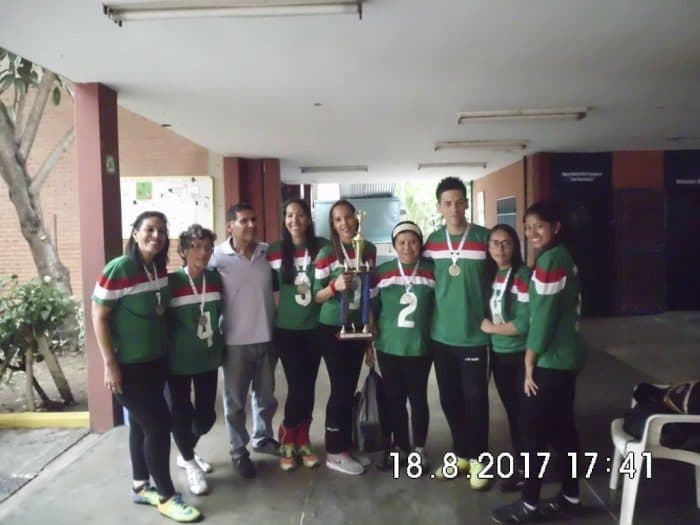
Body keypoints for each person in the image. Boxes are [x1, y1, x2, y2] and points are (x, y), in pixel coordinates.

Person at [91, 211, 201, 523]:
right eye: (149, 230)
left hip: (156, 362)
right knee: (158, 424)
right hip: (128, 367)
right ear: (135, 233)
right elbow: (98, 315)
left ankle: (141, 486)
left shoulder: (158, 270)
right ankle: (167, 496)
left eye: (162, 231)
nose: (156, 236)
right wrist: (110, 364)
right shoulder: (119, 268)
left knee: (141, 425)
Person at [491, 201, 588, 524]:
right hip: (567, 357)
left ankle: (529, 505)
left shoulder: (549, 262)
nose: (532, 232)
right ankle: (571, 496)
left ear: (556, 227)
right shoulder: (562, 257)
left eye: (539, 226)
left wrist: (530, 361)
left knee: (532, 430)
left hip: (551, 360)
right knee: (563, 430)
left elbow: (542, 319)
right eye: (528, 226)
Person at [422, 176, 491, 489]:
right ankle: (461, 454)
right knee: (450, 399)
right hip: (441, 337)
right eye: (447, 203)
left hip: (475, 337)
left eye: (459, 201)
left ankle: (479, 460)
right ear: (439, 207)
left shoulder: (485, 239)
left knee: (476, 400)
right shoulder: (432, 243)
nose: (454, 208)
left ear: (466, 203)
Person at [209, 203, 278, 480]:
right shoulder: (216, 257)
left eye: (253, 219)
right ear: (229, 226)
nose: (250, 224)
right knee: (235, 403)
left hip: (267, 337)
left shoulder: (266, 253)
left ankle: (263, 438)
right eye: (243, 220)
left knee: (266, 397)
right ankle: (239, 451)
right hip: (235, 342)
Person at [313, 199, 377, 475]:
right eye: (338, 220)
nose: (345, 223)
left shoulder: (369, 249)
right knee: (340, 389)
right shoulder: (327, 253)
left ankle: (345, 447)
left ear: (357, 219)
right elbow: (315, 296)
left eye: (348, 217)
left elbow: (370, 294)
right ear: (333, 225)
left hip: (359, 328)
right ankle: (334, 451)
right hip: (333, 329)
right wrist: (334, 286)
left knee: (349, 387)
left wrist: (370, 337)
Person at [266, 199, 327, 471]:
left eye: (300, 216)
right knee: (297, 386)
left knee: (309, 385)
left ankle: (303, 437)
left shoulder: (322, 247)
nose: (294, 221)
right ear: (284, 219)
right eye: (289, 215)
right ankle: (288, 435)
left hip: (315, 327)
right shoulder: (276, 251)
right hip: (287, 330)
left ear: (309, 219)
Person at [369, 221, 435, 469]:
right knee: (395, 399)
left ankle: (419, 447)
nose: (407, 247)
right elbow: (372, 308)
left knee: (418, 399)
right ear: (394, 246)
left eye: (413, 242)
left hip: (420, 347)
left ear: (420, 244)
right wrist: (369, 339)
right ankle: (401, 446)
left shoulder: (431, 270)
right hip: (389, 346)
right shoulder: (383, 272)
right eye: (402, 243)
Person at [166, 225, 223, 495]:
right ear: (183, 251)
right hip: (177, 363)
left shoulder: (215, 279)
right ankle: (189, 462)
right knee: (180, 414)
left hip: (207, 359)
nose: (203, 252)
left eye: (208, 247)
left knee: (205, 416)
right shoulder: (171, 283)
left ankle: (187, 450)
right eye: (196, 247)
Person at [479, 224, 531, 492]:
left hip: (521, 355)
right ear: (487, 248)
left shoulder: (523, 275)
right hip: (499, 355)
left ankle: (530, 468)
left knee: (525, 414)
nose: (500, 248)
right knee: (513, 411)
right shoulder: (490, 275)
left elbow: (523, 324)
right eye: (495, 243)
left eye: (506, 243)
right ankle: (521, 459)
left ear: (515, 246)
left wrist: (491, 328)